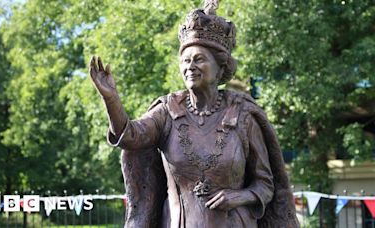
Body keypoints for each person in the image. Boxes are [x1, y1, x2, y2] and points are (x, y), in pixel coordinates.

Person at [89, 1, 299, 227]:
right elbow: (130, 136)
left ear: (220, 68)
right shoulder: (167, 111)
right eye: (185, 60)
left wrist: (238, 196)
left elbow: (266, 185)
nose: (190, 66)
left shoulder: (243, 114)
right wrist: (111, 99)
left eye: (199, 59)